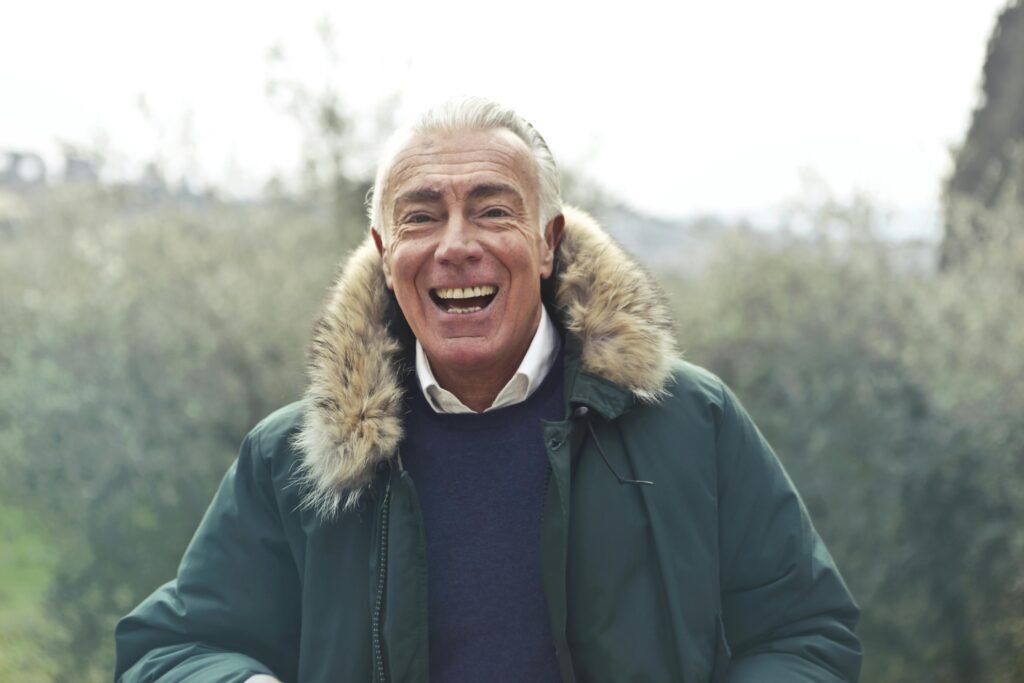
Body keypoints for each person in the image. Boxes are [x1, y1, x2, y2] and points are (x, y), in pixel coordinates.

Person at [115, 97, 862, 683]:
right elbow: (172, 647)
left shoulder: (691, 423)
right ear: (384, 252)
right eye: (422, 216)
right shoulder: (295, 460)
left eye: (493, 208)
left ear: (547, 241)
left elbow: (806, 632)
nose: (455, 244)